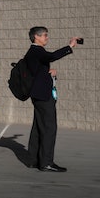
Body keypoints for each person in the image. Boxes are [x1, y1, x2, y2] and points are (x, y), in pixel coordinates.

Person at [25, 26, 79, 172]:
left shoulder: (33, 53)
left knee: (38, 127)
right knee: (49, 127)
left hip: (38, 94)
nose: (47, 38)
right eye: (45, 36)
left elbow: (36, 71)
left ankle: (33, 160)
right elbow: (52, 56)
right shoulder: (37, 50)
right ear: (37, 37)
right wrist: (70, 46)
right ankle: (46, 163)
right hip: (43, 96)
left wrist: (48, 72)